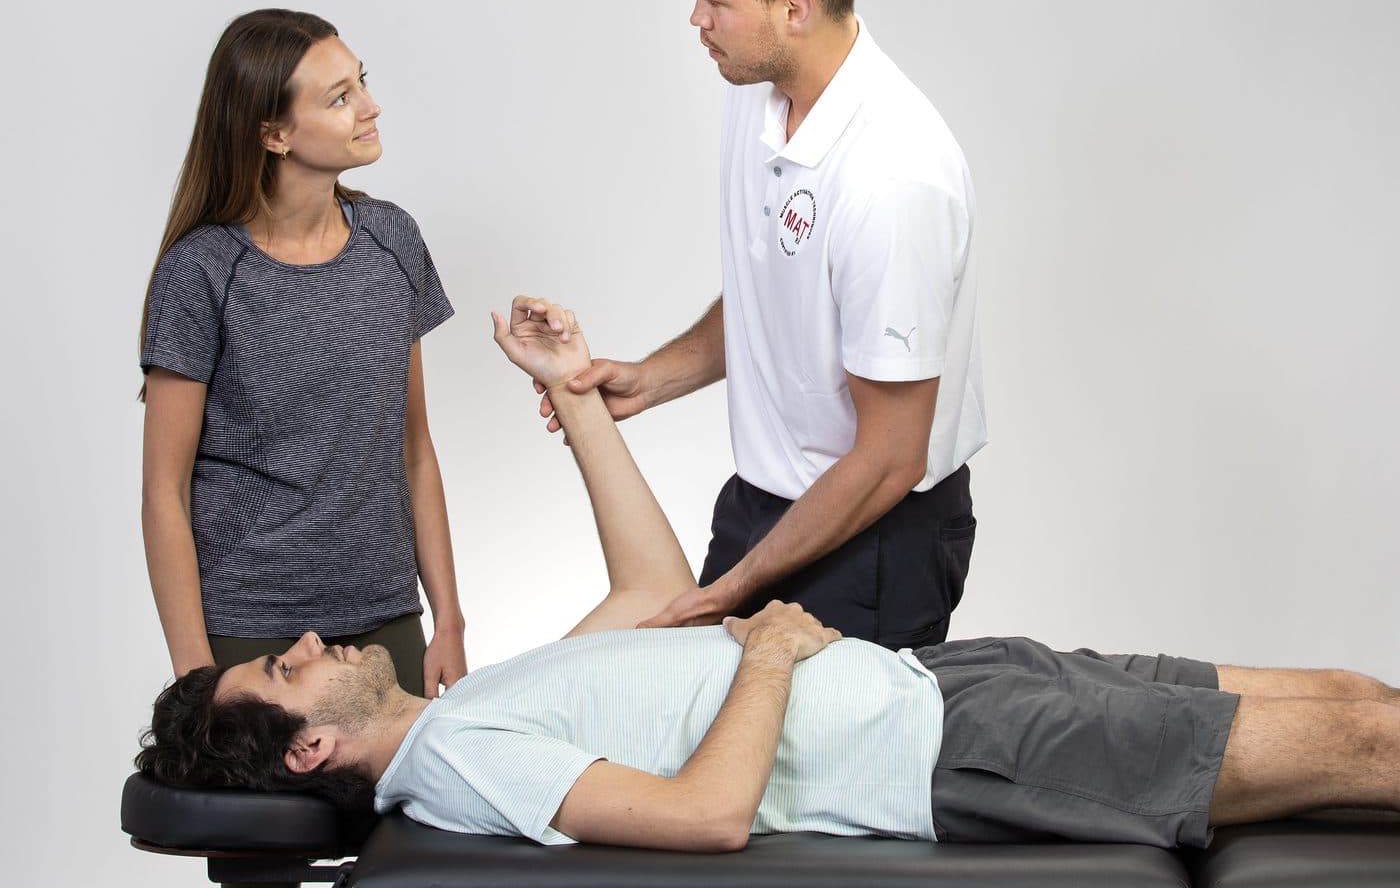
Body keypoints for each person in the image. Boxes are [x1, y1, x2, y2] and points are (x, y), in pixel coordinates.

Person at [138, 298, 1400, 853]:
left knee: (1354, 699)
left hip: (937, 683)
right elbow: (707, 817)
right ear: (311, 751)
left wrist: (573, 390)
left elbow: (648, 591)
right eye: (282, 672)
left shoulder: (465, 711)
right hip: (948, 751)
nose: (305, 642)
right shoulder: (458, 767)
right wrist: (774, 651)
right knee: (1360, 744)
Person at [537, 0, 986, 649]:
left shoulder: (894, 178)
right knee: (707, 718)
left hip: (875, 536)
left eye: (715, 2)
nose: (696, 20)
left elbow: (890, 458)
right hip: (763, 505)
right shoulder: (757, 92)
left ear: (794, 9)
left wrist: (730, 591)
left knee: (808, 737)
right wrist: (653, 377)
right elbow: (779, 286)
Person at [139, 9, 466, 701]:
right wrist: (198, 681)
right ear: (274, 135)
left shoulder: (392, 241)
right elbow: (164, 491)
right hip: (253, 637)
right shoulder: (202, 270)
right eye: (340, 97)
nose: (371, 107)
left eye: (362, 82)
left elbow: (414, 449)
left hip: (386, 622)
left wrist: (449, 621)